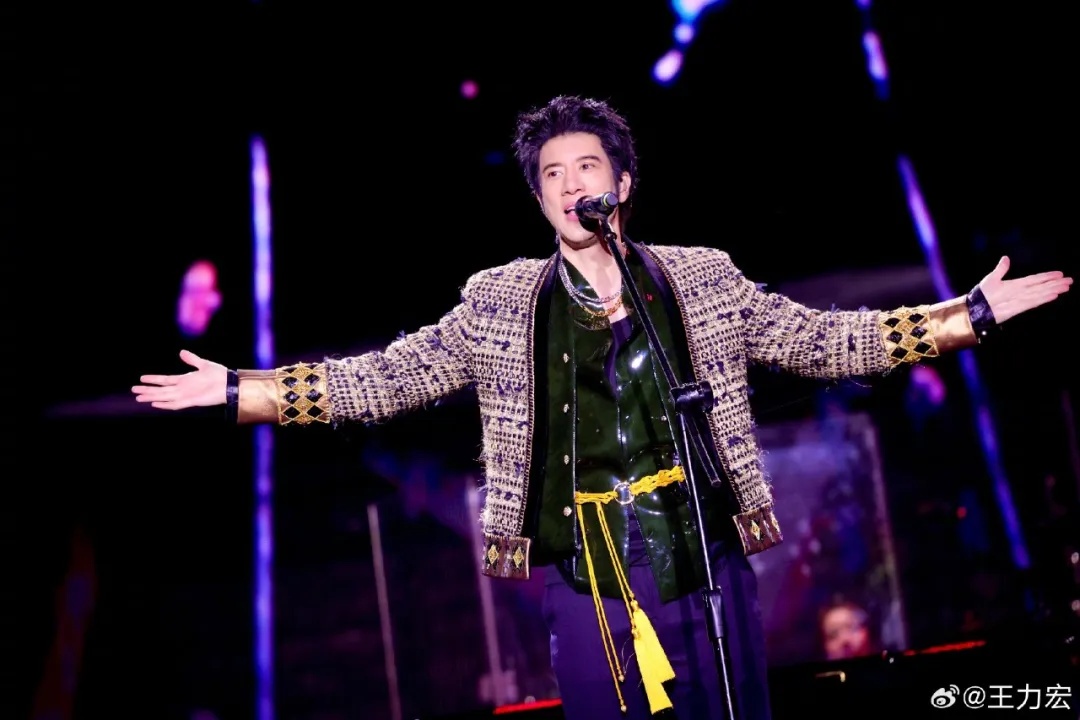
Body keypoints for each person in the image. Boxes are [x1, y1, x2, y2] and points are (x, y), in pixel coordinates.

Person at [131, 96, 1072, 720]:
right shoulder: (500, 301)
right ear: (539, 198)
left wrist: (968, 316)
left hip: (703, 558)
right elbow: (385, 378)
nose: (572, 183)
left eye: (588, 166)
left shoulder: (700, 279)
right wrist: (241, 390)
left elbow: (825, 340)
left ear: (622, 183)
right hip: (588, 576)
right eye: (552, 173)